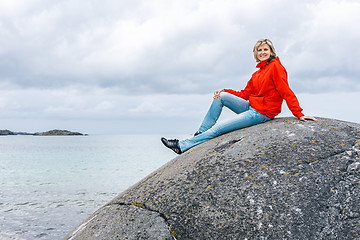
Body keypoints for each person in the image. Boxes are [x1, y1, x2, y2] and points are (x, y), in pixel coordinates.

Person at [161, 39, 317, 154]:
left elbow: (286, 91)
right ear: (256, 53)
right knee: (221, 97)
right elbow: (245, 94)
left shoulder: (276, 67)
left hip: (262, 113)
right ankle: (201, 134)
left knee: (219, 129)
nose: (262, 53)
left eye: (265, 50)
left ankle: (181, 145)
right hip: (251, 106)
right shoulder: (258, 73)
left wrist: (299, 114)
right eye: (259, 50)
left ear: (271, 52)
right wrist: (225, 91)